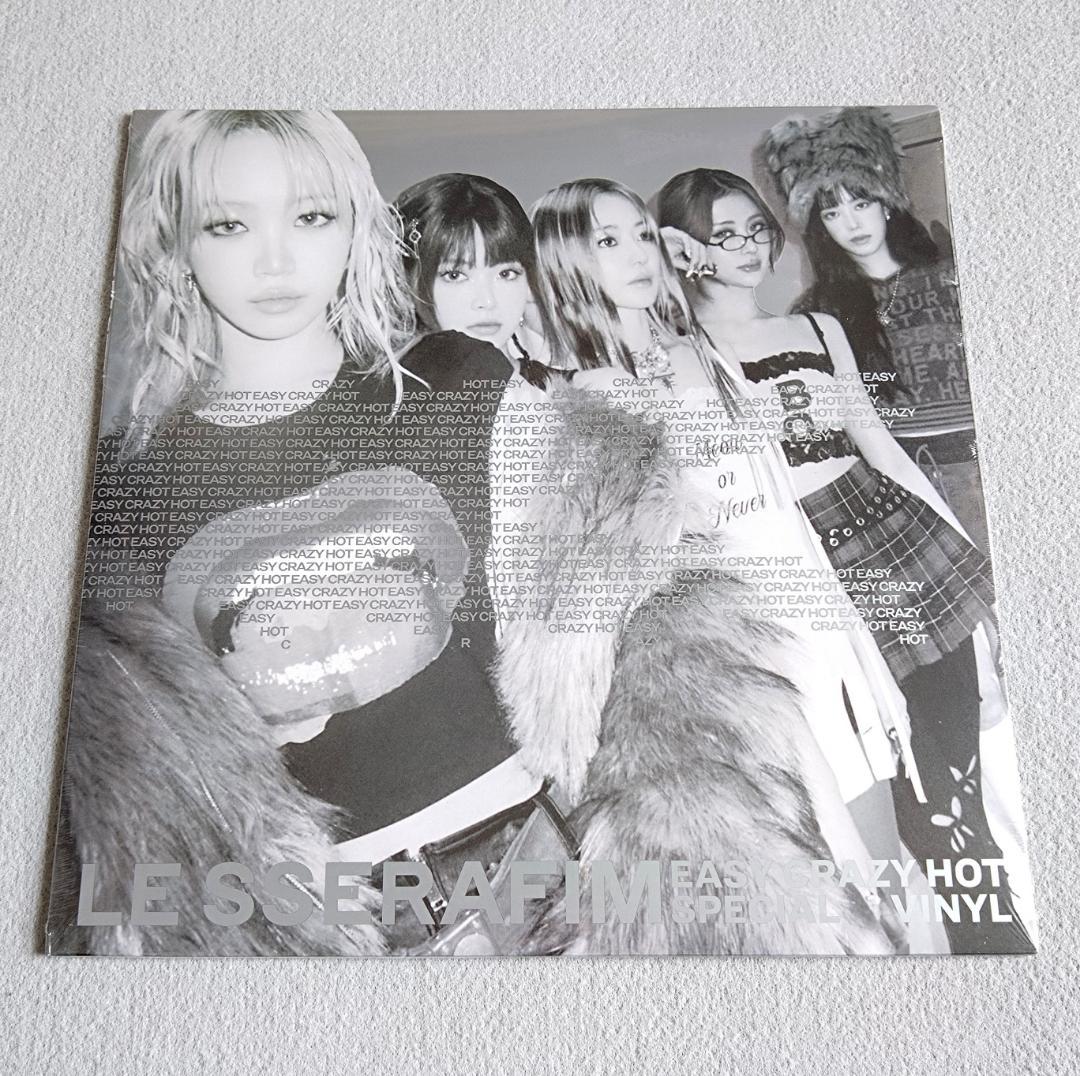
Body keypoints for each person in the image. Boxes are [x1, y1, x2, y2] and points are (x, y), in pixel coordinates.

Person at [79, 111, 536, 935]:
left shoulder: (457, 381)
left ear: (355, 226)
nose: (276, 260)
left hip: (534, 867)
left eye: (311, 216)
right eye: (228, 224)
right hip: (320, 926)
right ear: (172, 243)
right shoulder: (121, 482)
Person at [492, 177, 924, 954]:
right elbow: (574, 590)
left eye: (642, 234)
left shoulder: (698, 352)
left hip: (810, 628)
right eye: (606, 241)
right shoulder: (574, 400)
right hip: (717, 671)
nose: (636, 255)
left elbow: (780, 506)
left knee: (881, 870)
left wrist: (851, 643)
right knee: (809, 892)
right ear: (565, 260)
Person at [656, 165, 1033, 953]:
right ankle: (967, 953)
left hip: (902, 544)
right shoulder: (681, 360)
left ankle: (999, 947)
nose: (748, 247)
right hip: (810, 575)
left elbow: (879, 446)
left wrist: (969, 563)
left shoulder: (820, 327)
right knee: (905, 792)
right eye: (723, 235)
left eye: (756, 229)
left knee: (957, 765)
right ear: (684, 250)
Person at [766, 106, 989, 551]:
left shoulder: (954, 279)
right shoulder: (816, 310)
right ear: (821, 227)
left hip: (977, 471)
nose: (851, 223)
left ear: (885, 205)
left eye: (861, 204)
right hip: (893, 485)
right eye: (832, 213)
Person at [393, 172, 557, 386]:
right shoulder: (378, 397)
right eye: (455, 276)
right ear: (406, 281)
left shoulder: (576, 393)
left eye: (506, 274)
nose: (487, 301)